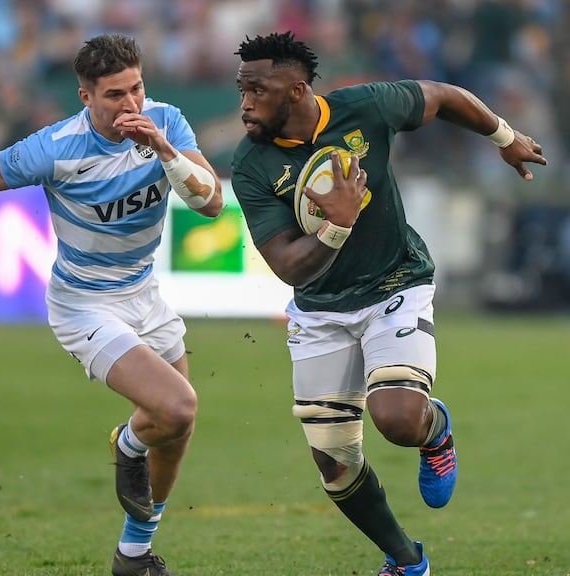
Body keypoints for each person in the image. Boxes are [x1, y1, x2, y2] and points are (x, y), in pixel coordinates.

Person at [0, 33, 223, 576]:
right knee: (176, 408)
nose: (131, 105)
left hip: (145, 294)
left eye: (137, 89)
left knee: (177, 431)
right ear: (86, 97)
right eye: (114, 96)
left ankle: (133, 555)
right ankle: (128, 444)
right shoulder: (56, 148)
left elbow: (211, 203)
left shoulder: (165, 122)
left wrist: (165, 149)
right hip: (86, 305)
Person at [230, 31, 546, 576]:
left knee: (396, 419)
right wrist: (337, 226)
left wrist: (503, 135)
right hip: (320, 310)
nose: (245, 103)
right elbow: (285, 264)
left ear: (298, 91)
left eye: (257, 90)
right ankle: (405, 560)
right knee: (334, 463)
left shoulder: (368, 107)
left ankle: (434, 428)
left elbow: (443, 95)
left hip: (395, 284)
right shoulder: (251, 163)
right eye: (241, 90)